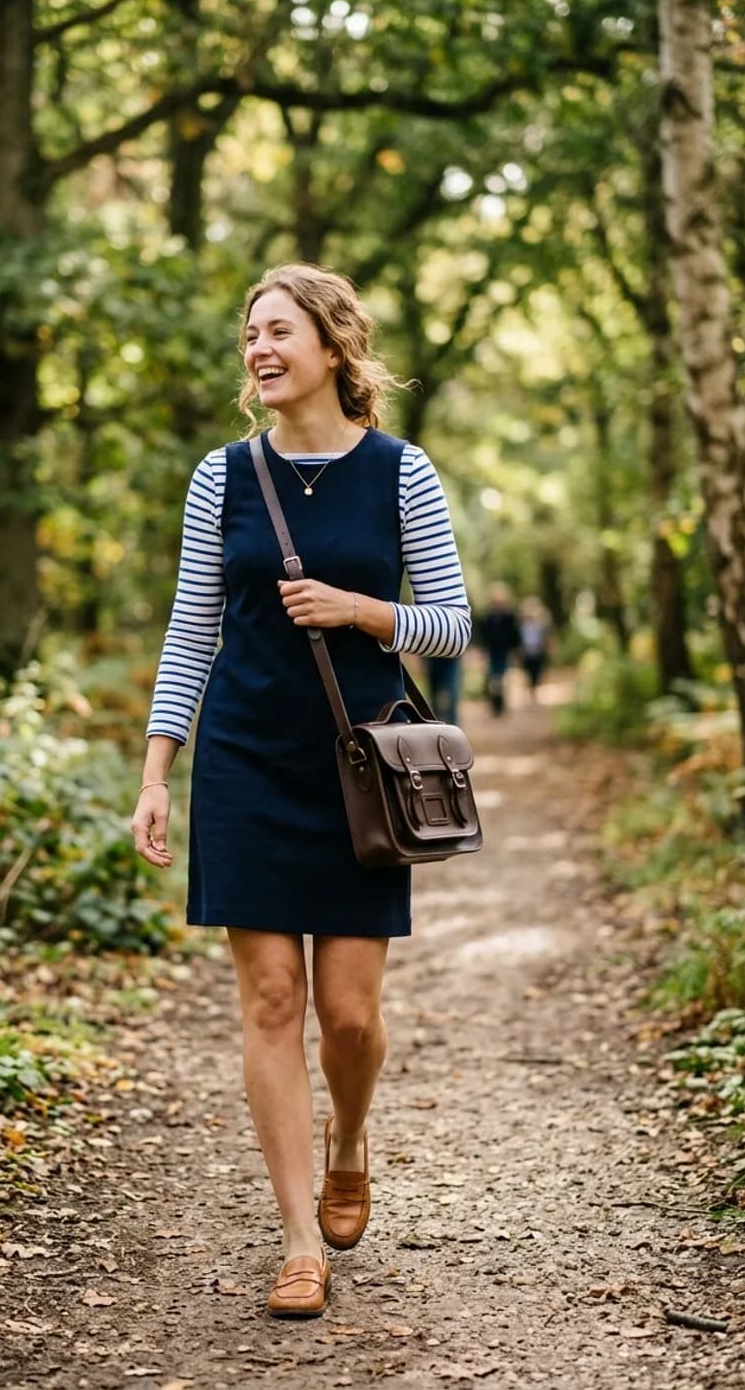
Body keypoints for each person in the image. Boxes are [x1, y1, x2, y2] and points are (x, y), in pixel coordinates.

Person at [131, 263, 471, 1321]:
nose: (258, 350)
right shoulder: (220, 475)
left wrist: (360, 610)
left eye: (279, 331)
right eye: (249, 335)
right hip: (244, 758)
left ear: (332, 347)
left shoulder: (399, 472)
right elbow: (193, 626)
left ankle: (351, 1135)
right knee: (271, 998)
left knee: (349, 1014)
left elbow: (449, 621)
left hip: (357, 764)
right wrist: (158, 765)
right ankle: (294, 1242)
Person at [478, 582, 521, 717]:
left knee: (502, 679)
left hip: (504, 651)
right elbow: (483, 635)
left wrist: (515, 650)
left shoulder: (509, 616)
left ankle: (501, 705)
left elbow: (514, 634)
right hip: (492, 652)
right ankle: (495, 705)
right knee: (493, 679)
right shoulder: (488, 617)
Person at [519, 595, 550, 699]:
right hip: (527, 652)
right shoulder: (522, 625)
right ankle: (530, 692)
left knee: (537, 672)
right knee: (528, 673)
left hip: (537, 652)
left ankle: (534, 691)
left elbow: (546, 638)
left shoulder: (541, 625)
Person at [426, 652, 462, 726]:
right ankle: (433, 721)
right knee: (434, 694)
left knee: (452, 692)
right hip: (433, 657)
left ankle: (453, 723)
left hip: (450, 658)